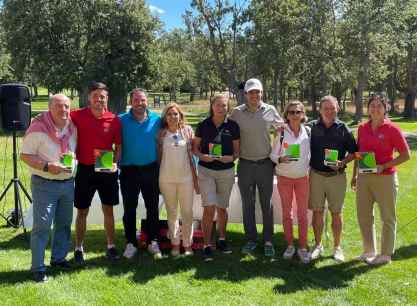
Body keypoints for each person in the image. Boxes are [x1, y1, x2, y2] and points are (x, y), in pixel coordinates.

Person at [21, 94, 77, 282]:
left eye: (67, 107)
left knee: (64, 223)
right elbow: (25, 155)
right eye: (59, 107)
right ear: (50, 108)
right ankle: (37, 267)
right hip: (45, 184)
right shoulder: (38, 128)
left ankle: (58, 259)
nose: (64, 110)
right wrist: (47, 166)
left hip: (68, 184)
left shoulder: (72, 127)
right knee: (42, 226)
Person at [351, 94, 410, 265]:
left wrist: (384, 166)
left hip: (385, 178)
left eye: (379, 106)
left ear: (385, 109)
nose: (375, 109)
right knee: (364, 216)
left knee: (387, 217)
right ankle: (369, 250)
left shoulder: (393, 129)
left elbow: (406, 155)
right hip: (364, 178)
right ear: (368, 109)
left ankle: (385, 254)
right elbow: (358, 153)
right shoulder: (362, 128)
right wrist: (355, 175)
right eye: (372, 105)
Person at [230, 78, 283, 257]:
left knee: (266, 204)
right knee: (248, 204)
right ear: (245, 94)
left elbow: (282, 129)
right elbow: (226, 132)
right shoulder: (236, 113)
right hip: (244, 164)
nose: (254, 95)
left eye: (257, 92)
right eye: (251, 92)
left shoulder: (270, 110)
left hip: (265, 165)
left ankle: (268, 240)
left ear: (262, 93)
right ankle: (251, 239)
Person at [71, 82, 122, 263]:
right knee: (82, 210)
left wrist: (115, 162)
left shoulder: (114, 119)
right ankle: (78, 248)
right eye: (96, 96)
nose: (99, 99)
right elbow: (58, 120)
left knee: (108, 209)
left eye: (103, 97)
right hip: (85, 169)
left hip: (105, 168)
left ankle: (111, 246)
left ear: (106, 99)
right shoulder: (76, 115)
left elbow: (119, 146)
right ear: (89, 98)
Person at [309, 95, 357, 262]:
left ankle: (337, 247)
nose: (329, 111)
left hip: (337, 177)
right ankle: (317, 245)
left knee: (336, 213)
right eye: (326, 108)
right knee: (317, 211)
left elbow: (354, 153)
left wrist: (343, 161)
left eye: (332, 108)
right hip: (316, 175)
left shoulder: (344, 129)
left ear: (337, 109)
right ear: (320, 110)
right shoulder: (312, 127)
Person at [193, 94, 240, 261]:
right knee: (209, 207)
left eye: (224, 105)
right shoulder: (203, 125)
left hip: (226, 171)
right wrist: (202, 156)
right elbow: (195, 148)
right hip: (206, 170)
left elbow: (237, 151)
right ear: (212, 106)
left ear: (228, 108)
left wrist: (232, 158)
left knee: (222, 208)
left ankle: (221, 239)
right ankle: (206, 245)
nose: (221, 108)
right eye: (218, 105)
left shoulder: (233, 126)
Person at [119, 88, 162, 259]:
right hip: (129, 170)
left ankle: (153, 241)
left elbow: (176, 126)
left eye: (143, 100)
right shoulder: (121, 120)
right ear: (131, 101)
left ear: (147, 101)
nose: (140, 103)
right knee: (130, 208)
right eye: (136, 100)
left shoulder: (157, 120)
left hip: (151, 169)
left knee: (153, 207)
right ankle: (130, 242)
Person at [270, 101, 311, 263]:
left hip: (302, 178)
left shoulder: (308, 131)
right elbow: (272, 155)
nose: (295, 115)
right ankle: (289, 245)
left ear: (302, 115)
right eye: (291, 112)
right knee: (287, 213)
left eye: (298, 112)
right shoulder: (280, 132)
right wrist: (281, 158)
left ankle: (302, 247)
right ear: (286, 115)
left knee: (302, 214)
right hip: (284, 178)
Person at [158, 103, 198, 257]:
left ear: (180, 116)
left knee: (187, 213)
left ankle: (187, 245)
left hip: (186, 179)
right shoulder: (161, 134)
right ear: (165, 118)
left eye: (175, 114)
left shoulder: (187, 132)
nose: (173, 117)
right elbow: (158, 156)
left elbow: (196, 151)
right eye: (169, 114)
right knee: (172, 213)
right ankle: (175, 244)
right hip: (166, 179)